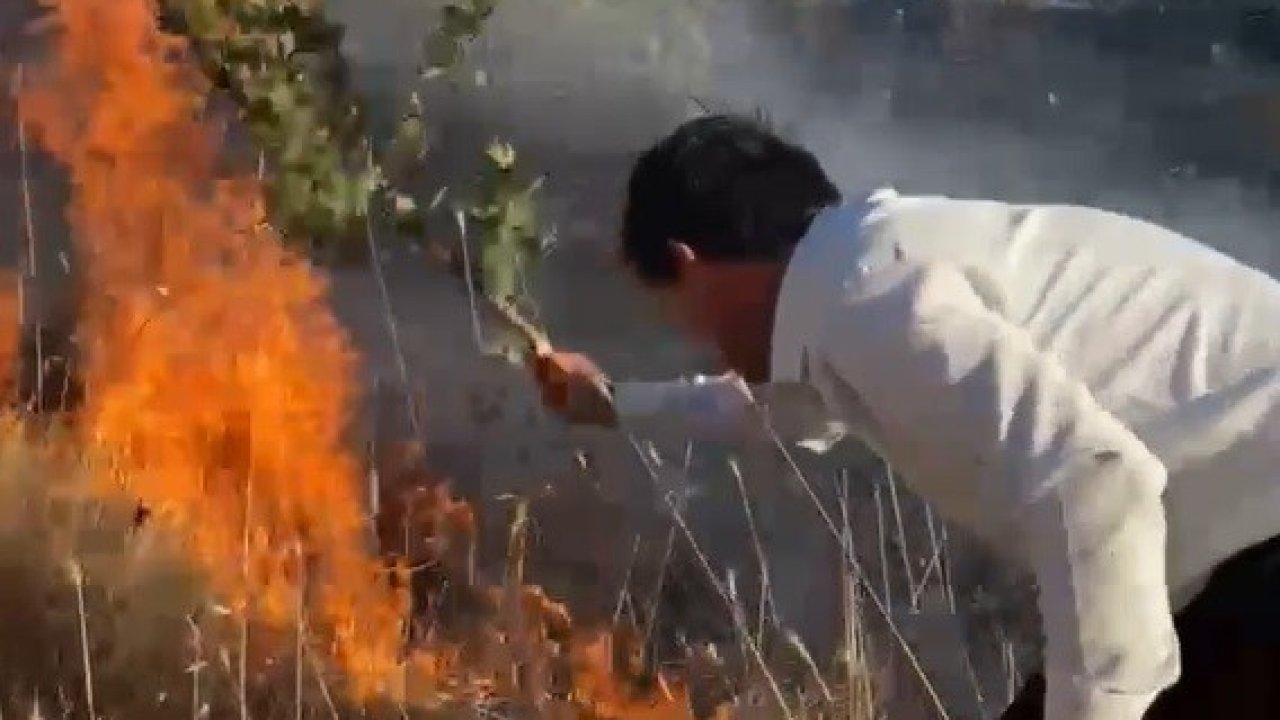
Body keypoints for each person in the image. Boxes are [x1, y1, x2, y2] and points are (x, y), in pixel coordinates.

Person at [528, 113, 1280, 720]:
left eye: (678, 313)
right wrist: (619, 406)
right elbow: (781, 410)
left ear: (687, 260)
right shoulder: (854, 276)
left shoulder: (868, 295)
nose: (695, 334)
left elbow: (1097, 485)